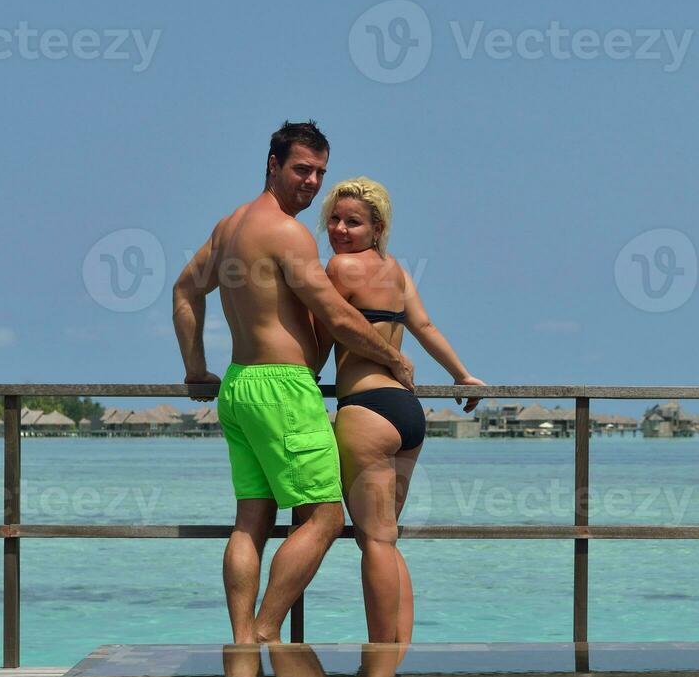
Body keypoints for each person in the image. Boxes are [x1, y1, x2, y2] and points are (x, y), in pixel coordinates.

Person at [172, 122, 414, 645]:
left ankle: (240, 643)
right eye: (302, 169)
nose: (311, 182)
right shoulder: (287, 232)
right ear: (272, 164)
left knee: (251, 520)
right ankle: (264, 633)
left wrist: (196, 369)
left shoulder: (230, 225)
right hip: (283, 389)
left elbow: (185, 291)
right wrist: (393, 357)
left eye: (320, 172)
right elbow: (336, 315)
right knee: (325, 518)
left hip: (238, 386)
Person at [315, 176, 483, 643]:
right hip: (407, 413)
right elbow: (424, 325)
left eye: (353, 222)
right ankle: (399, 650)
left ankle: (380, 657)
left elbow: (322, 336)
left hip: (365, 409)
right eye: (334, 219)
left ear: (377, 227)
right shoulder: (397, 272)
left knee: (374, 541)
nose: (340, 230)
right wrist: (461, 374)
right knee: (388, 540)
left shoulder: (339, 268)